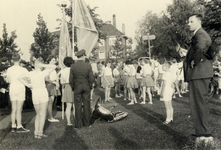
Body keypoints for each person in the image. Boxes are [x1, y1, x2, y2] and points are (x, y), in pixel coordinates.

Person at [183, 13, 214, 146]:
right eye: (188, 21)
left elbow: (201, 48)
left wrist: (193, 61)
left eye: (191, 21)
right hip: (198, 74)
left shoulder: (200, 34)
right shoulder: (198, 34)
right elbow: (199, 50)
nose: (188, 24)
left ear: (198, 22)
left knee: (199, 103)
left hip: (199, 73)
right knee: (197, 104)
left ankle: (205, 134)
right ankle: (201, 133)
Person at [19, 58, 57, 139]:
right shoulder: (44, 72)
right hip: (42, 93)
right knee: (42, 114)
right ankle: (40, 133)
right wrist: (43, 65)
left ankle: (36, 133)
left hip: (35, 93)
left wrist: (28, 85)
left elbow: (19, 77)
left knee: (38, 114)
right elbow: (54, 66)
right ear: (40, 65)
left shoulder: (31, 73)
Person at [69, 49, 94, 128]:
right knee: (87, 105)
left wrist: (73, 87)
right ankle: (87, 123)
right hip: (86, 86)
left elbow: (70, 80)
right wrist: (90, 86)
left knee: (77, 105)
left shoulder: (73, 66)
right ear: (83, 56)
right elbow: (92, 78)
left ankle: (78, 124)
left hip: (77, 87)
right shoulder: (88, 65)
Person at [6, 53, 30, 133]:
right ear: (20, 60)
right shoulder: (23, 70)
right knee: (19, 109)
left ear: (12, 60)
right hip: (20, 88)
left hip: (13, 88)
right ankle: (19, 126)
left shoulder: (9, 69)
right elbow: (28, 80)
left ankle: (13, 126)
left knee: (14, 108)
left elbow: (8, 81)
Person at [60, 57, 75, 126]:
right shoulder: (74, 69)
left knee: (68, 106)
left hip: (67, 86)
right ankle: (76, 120)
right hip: (74, 86)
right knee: (75, 105)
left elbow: (62, 82)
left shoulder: (63, 71)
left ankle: (68, 122)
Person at [45, 56, 60, 123]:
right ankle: (50, 117)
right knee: (50, 102)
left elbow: (56, 76)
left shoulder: (53, 68)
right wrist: (54, 82)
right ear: (49, 61)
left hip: (53, 84)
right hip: (50, 84)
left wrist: (57, 82)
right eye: (53, 60)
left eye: (55, 60)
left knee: (51, 102)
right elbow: (47, 78)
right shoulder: (48, 67)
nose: (55, 61)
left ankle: (49, 116)